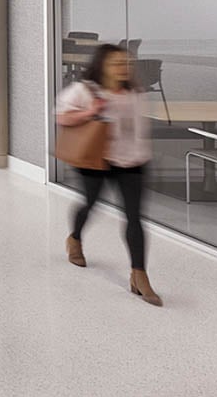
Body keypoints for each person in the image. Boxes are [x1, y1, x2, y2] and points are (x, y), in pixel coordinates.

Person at [56, 43, 159, 306]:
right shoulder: (86, 90)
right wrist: (91, 111)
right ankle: (75, 238)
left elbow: (139, 128)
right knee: (90, 203)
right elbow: (62, 117)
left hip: (132, 160)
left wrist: (143, 155)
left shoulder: (135, 93)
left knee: (134, 217)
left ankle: (139, 274)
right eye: (116, 63)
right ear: (102, 65)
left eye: (127, 63)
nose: (123, 68)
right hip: (96, 159)